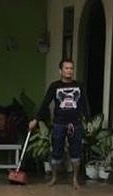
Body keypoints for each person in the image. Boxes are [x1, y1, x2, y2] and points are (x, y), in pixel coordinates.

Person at [29, 59, 90, 188]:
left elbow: (85, 104)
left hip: (76, 124)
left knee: (76, 152)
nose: (69, 71)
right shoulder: (55, 86)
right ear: (60, 71)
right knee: (56, 151)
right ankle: (54, 177)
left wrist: (88, 120)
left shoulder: (79, 86)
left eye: (71, 68)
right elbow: (45, 103)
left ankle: (74, 180)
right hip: (59, 123)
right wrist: (36, 119)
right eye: (66, 68)